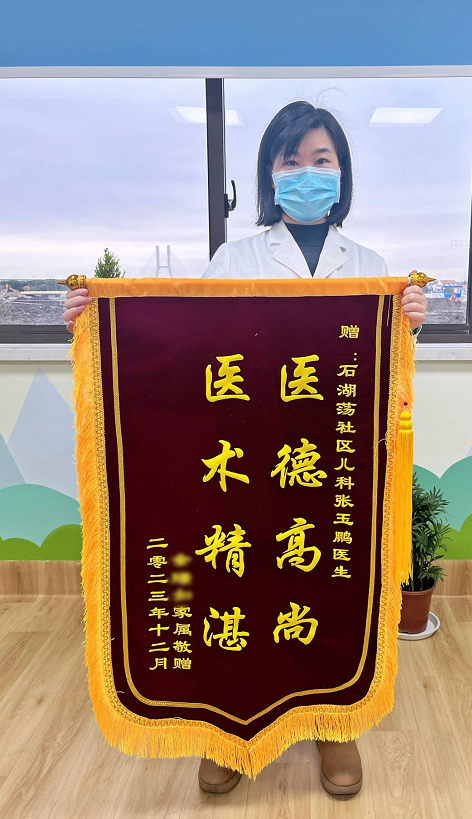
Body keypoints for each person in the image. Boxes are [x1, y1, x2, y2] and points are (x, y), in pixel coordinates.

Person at [61, 100, 427, 797]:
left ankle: (334, 721)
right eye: (292, 161)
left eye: (321, 160)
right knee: (242, 588)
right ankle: (229, 730)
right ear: (269, 174)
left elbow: (386, 377)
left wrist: (409, 323)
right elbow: (179, 349)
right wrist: (99, 322)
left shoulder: (372, 268)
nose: (307, 173)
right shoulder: (235, 260)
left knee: (333, 586)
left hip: (336, 467)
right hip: (248, 465)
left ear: (343, 173)